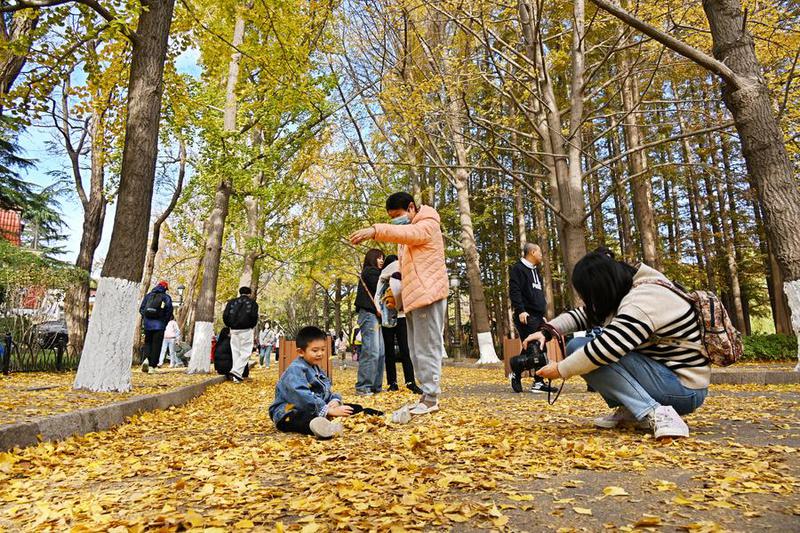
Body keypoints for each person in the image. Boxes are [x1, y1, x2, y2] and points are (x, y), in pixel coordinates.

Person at [524, 248, 710, 439]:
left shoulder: (643, 299)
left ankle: (656, 413)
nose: (588, 300)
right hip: (665, 377)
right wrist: (545, 332)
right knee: (577, 347)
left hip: (685, 390)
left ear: (601, 288)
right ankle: (632, 410)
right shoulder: (632, 289)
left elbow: (606, 349)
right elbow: (585, 315)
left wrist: (560, 369)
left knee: (583, 350)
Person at [350, 192, 448, 417]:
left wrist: (375, 230)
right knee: (415, 350)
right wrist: (397, 296)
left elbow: (409, 233)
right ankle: (426, 396)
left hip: (428, 294)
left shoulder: (428, 224)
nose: (396, 220)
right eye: (391, 218)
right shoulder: (408, 240)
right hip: (415, 297)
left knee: (427, 346)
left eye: (397, 216)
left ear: (412, 208)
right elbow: (405, 271)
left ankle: (432, 397)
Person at [269, 326, 383, 439]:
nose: (320, 353)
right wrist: (328, 410)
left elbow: (326, 391)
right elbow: (301, 396)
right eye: (315, 350)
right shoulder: (295, 370)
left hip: (316, 408)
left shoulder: (317, 369)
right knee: (301, 419)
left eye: (323, 349)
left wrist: (334, 401)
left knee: (352, 408)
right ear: (301, 352)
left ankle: (375, 415)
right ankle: (324, 428)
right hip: (289, 411)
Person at [509, 243, 557, 394]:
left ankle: (516, 370)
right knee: (535, 347)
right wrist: (521, 310)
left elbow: (538, 295)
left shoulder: (536, 272)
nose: (542, 255)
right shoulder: (518, 269)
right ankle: (538, 383)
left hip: (537, 315)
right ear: (532, 252)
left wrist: (542, 314)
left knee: (535, 346)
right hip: (525, 315)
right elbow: (514, 290)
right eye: (540, 252)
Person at [375, 254, 422, 394]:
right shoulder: (386, 279)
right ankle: (400, 382)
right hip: (392, 316)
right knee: (397, 350)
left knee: (400, 350)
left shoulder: (397, 277)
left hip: (395, 317)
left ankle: (403, 382)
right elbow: (379, 295)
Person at [353, 248, 385, 395]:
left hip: (375, 316)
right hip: (368, 315)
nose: (381, 260)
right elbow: (380, 286)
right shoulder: (370, 272)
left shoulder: (377, 273)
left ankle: (375, 386)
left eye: (383, 258)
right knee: (371, 351)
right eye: (379, 258)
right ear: (372, 258)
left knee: (380, 352)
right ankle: (363, 386)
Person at [222, 287, 259, 383]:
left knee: (236, 353)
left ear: (240, 292)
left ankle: (236, 378)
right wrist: (251, 326)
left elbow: (225, 315)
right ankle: (236, 371)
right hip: (246, 330)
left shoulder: (231, 302)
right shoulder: (253, 303)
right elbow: (254, 317)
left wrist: (229, 326)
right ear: (249, 294)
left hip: (233, 330)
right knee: (246, 352)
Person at [139, 280, 174, 373]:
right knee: (156, 345)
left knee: (148, 343)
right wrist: (164, 321)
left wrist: (146, 318)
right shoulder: (166, 297)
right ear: (165, 288)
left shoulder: (148, 296)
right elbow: (169, 310)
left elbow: (142, 309)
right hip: (159, 325)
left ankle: (145, 359)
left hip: (147, 325)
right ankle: (152, 366)